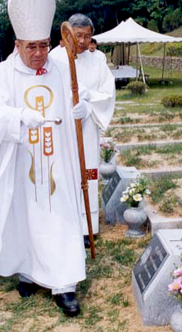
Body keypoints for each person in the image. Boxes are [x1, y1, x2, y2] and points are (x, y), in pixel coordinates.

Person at [0, 0, 87, 317]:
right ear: (17, 45)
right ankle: (30, 272)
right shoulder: (3, 75)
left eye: (43, 46)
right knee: (25, 217)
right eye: (30, 47)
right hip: (21, 158)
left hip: (57, 161)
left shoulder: (59, 69)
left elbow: (69, 106)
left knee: (60, 217)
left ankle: (65, 284)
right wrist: (18, 117)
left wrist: (78, 110)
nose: (38, 54)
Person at [49, 13, 115, 248]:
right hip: (64, 130)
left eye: (88, 36)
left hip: (87, 131)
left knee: (88, 174)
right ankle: (66, 226)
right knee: (66, 176)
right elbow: (48, 94)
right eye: (79, 35)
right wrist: (70, 105)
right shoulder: (54, 59)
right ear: (67, 34)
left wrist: (89, 103)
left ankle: (88, 228)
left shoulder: (97, 60)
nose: (83, 41)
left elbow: (108, 93)